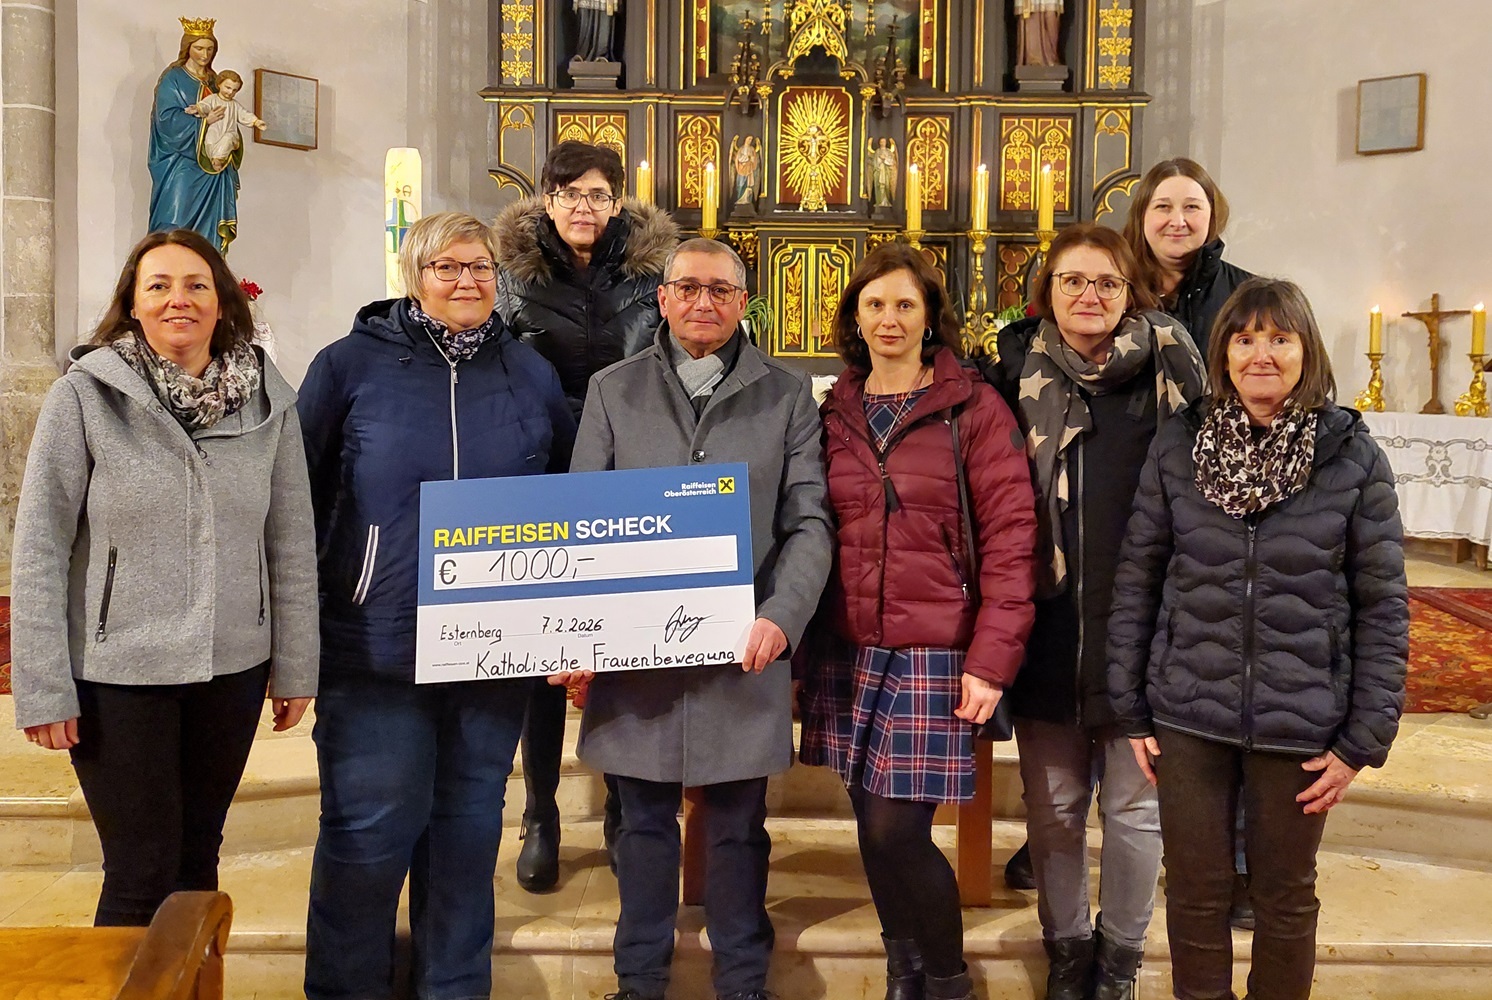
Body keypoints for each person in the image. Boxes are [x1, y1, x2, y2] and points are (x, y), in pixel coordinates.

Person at [297, 212, 576, 1000]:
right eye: (447, 267)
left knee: (466, 839)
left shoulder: (528, 372)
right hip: (375, 650)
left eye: (480, 266)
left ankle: (454, 989)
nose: (466, 281)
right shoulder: (349, 366)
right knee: (367, 840)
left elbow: (567, 498)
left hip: (491, 656)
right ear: (413, 276)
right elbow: (297, 502)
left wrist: (568, 623)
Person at [1107, 278, 1407, 1000]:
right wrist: (1131, 707)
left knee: (1285, 897)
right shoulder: (1180, 445)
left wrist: (1363, 738)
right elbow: (1139, 574)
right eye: (1244, 339)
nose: (1260, 354)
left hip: (1301, 718)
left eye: (1279, 338)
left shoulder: (1351, 456)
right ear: (1223, 354)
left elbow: (1383, 604)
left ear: (1307, 351)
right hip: (1189, 711)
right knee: (1195, 892)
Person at [10, 228, 318, 926]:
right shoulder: (84, 397)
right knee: (139, 872)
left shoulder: (269, 403)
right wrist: (43, 686)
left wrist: (297, 665)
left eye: (196, 285)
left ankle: (193, 978)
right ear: (133, 303)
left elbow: (291, 542)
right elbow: (40, 548)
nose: (179, 299)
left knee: (198, 860)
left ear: (223, 302)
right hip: (119, 674)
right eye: (159, 286)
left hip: (231, 670)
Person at [554, 237, 833, 1000]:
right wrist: (577, 635)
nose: (703, 302)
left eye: (720, 290)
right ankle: (639, 980)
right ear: (664, 298)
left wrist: (781, 617)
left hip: (744, 649)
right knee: (642, 826)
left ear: (744, 303)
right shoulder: (613, 390)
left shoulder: (786, 392)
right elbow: (581, 519)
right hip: (636, 655)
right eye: (688, 288)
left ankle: (742, 980)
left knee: (739, 828)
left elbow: (809, 522)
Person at [798, 243, 1037, 1000]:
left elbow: (1012, 538)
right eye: (875, 304)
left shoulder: (973, 408)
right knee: (869, 823)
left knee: (897, 829)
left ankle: (947, 980)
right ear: (855, 317)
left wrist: (991, 661)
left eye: (905, 304)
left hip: (936, 649)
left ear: (930, 315)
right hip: (849, 644)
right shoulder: (834, 411)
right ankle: (903, 967)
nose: (890, 319)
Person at [980, 223, 1207, 1000]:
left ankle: (1120, 960)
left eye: (1107, 282)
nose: (1090, 295)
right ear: (1047, 291)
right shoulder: (1011, 369)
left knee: (1137, 814)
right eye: (1073, 280)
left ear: (1129, 291)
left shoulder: (1170, 365)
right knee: (1053, 812)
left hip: (1144, 628)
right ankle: (1068, 948)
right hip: (1047, 627)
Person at [493, 140, 680, 892]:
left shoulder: (652, 274)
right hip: (541, 477)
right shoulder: (510, 276)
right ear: (546, 199)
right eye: (569, 193)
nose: (583, 207)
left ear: (617, 201)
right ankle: (540, 813)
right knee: (546, 660)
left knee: (624, 656)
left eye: (598, 194)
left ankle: (620, 809)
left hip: (628, 478)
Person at [1124, 157, 1253, 360]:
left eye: (1191, 207)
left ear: (1212, 215)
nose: (1177, 222)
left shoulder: (1249, 295)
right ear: (1141, 216)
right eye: (1163, 207)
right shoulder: (1112, 286)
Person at [148, 21, 242, 253]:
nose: (205, 54)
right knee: (175, 222)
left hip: (213, 167)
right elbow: (166, 120)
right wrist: (204, 123)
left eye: (210, 49)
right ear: (187, 48)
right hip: (181, 163)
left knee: (208, 237)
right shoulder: (174, 79)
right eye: (199, 48)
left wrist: (231, 137)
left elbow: (229, 114)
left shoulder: (216, 82)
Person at [186, 70, 267, 172]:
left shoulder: (235, 105)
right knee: (210, 140)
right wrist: (197, 108)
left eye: (234, 90)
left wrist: (256, 121)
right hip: (215, 129)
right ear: (219, 84)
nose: (230, 92)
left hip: (230, 132)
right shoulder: (213, 99)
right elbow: (205, 105)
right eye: (228, 88)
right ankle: (212, 158)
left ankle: (218, 160)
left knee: (227, 140)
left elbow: (244, 114)